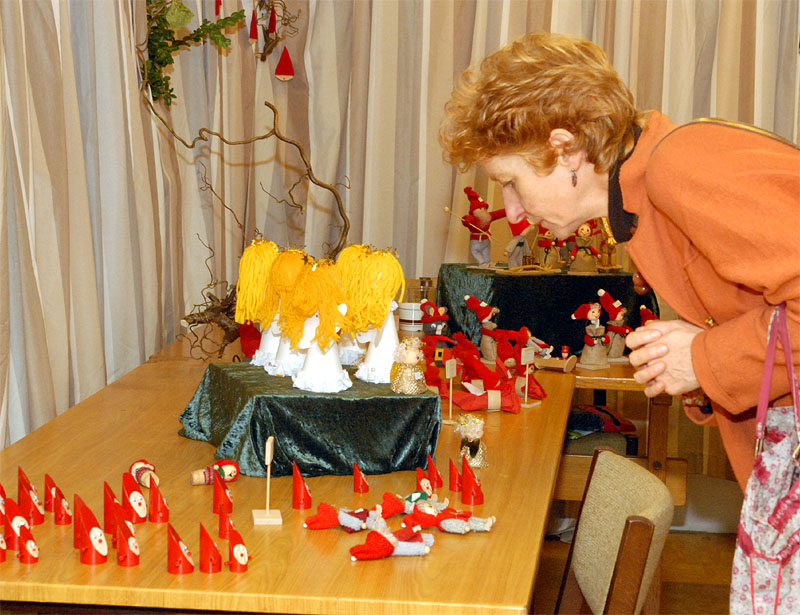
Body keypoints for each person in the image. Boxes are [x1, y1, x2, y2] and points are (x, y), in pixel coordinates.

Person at [439, 31, 799, 491]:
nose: (511, 212)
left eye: (511, 182)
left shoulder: (680, 167)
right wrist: (701, 376)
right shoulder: (642, 207)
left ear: (566, 149)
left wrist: (704, 358)